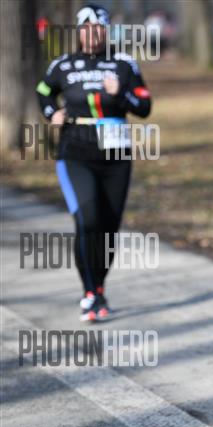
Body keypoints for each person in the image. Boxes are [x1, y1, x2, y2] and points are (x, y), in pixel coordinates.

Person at [37, 4, 152, 322]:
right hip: (76, 152)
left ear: (106, 31)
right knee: (88, 220)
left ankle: (98, 289)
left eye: (99, 28)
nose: (93, 34)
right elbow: (43, 92)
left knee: (108, 228)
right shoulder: (63, 64)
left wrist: (122, 93)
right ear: (79, 32)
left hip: (116, 157)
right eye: (87, 28)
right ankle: (89, 293)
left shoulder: (123, 64)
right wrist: (52, 113)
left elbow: (144, 106)